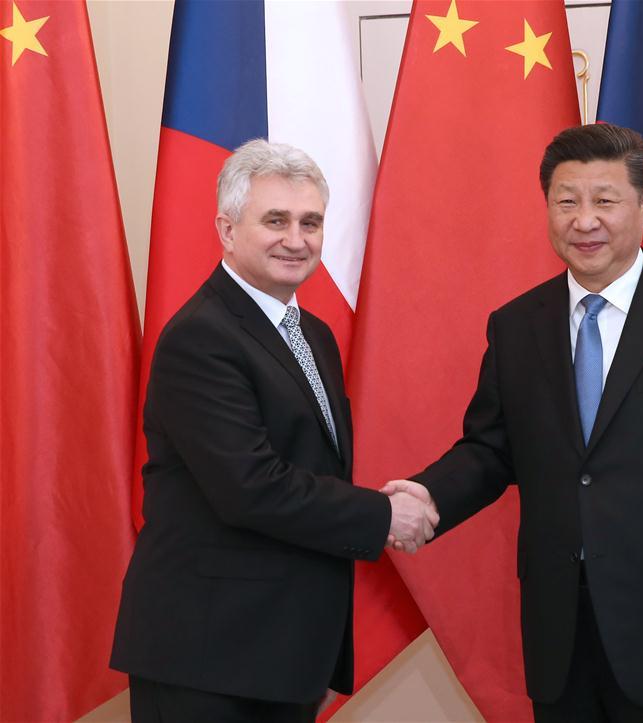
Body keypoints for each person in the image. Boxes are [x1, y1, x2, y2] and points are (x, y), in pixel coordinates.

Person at [384, 123, 643, 722]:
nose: (584, 221)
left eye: (605, 200)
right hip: (562, 637)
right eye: (566, 201)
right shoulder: (517, 325)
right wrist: (427, 495)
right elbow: (492, 450)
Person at [111, 139, 437, 723]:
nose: (296, 239)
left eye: (310, 222)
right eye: (276, 220)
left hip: (281, 653)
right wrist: (383, 516)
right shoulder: (201, 337)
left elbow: (313, 470)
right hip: (206, 657)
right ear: (227, 229)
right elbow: (251, 487)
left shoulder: (311, 333)